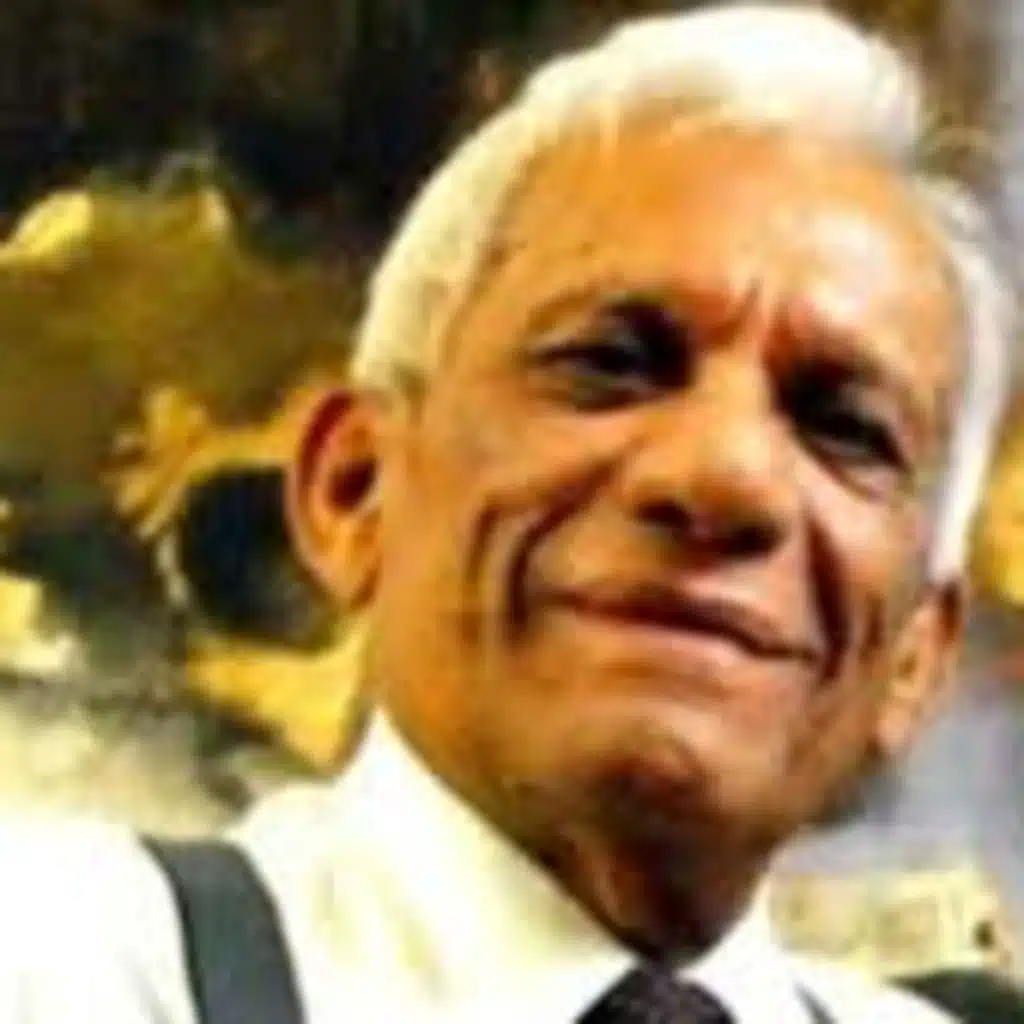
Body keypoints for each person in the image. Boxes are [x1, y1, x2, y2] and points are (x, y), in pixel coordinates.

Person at [0, 4, 1017, 1022]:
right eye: (610, 364)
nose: (728, 476)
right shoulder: (56, 962)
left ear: (915, 657)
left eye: (845, 429)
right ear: (356, 488)